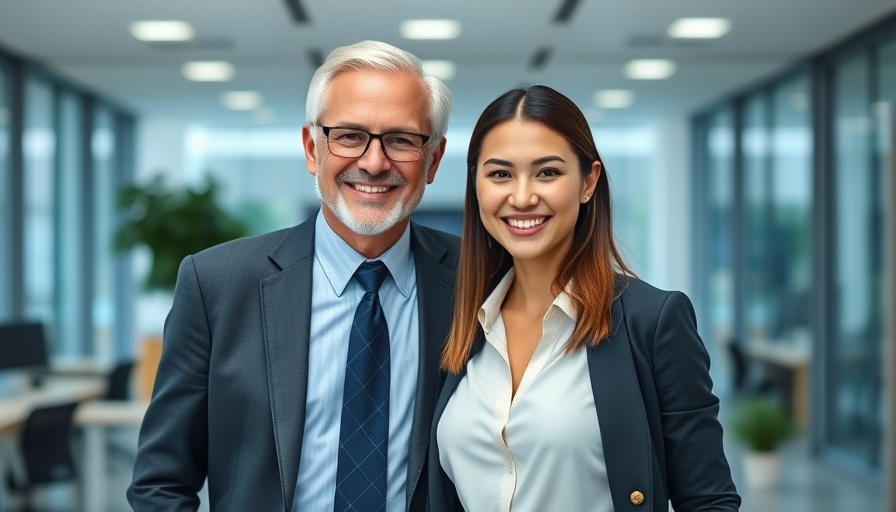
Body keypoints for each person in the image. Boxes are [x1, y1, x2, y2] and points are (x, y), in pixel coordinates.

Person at [128, 40, 459, 512]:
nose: (373, 162)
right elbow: (160, 482)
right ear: (311, 148)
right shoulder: (217, 283)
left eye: (402, 139)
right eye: (348, 135)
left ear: (434, 159)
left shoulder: (482, 279)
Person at [428, 85, 741, 512]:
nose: (521, 197)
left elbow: (708, 501)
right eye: (500, 174)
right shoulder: (460, 320)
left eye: (547, 173)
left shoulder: (652, 320)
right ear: (476, 185)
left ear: (588, 181)